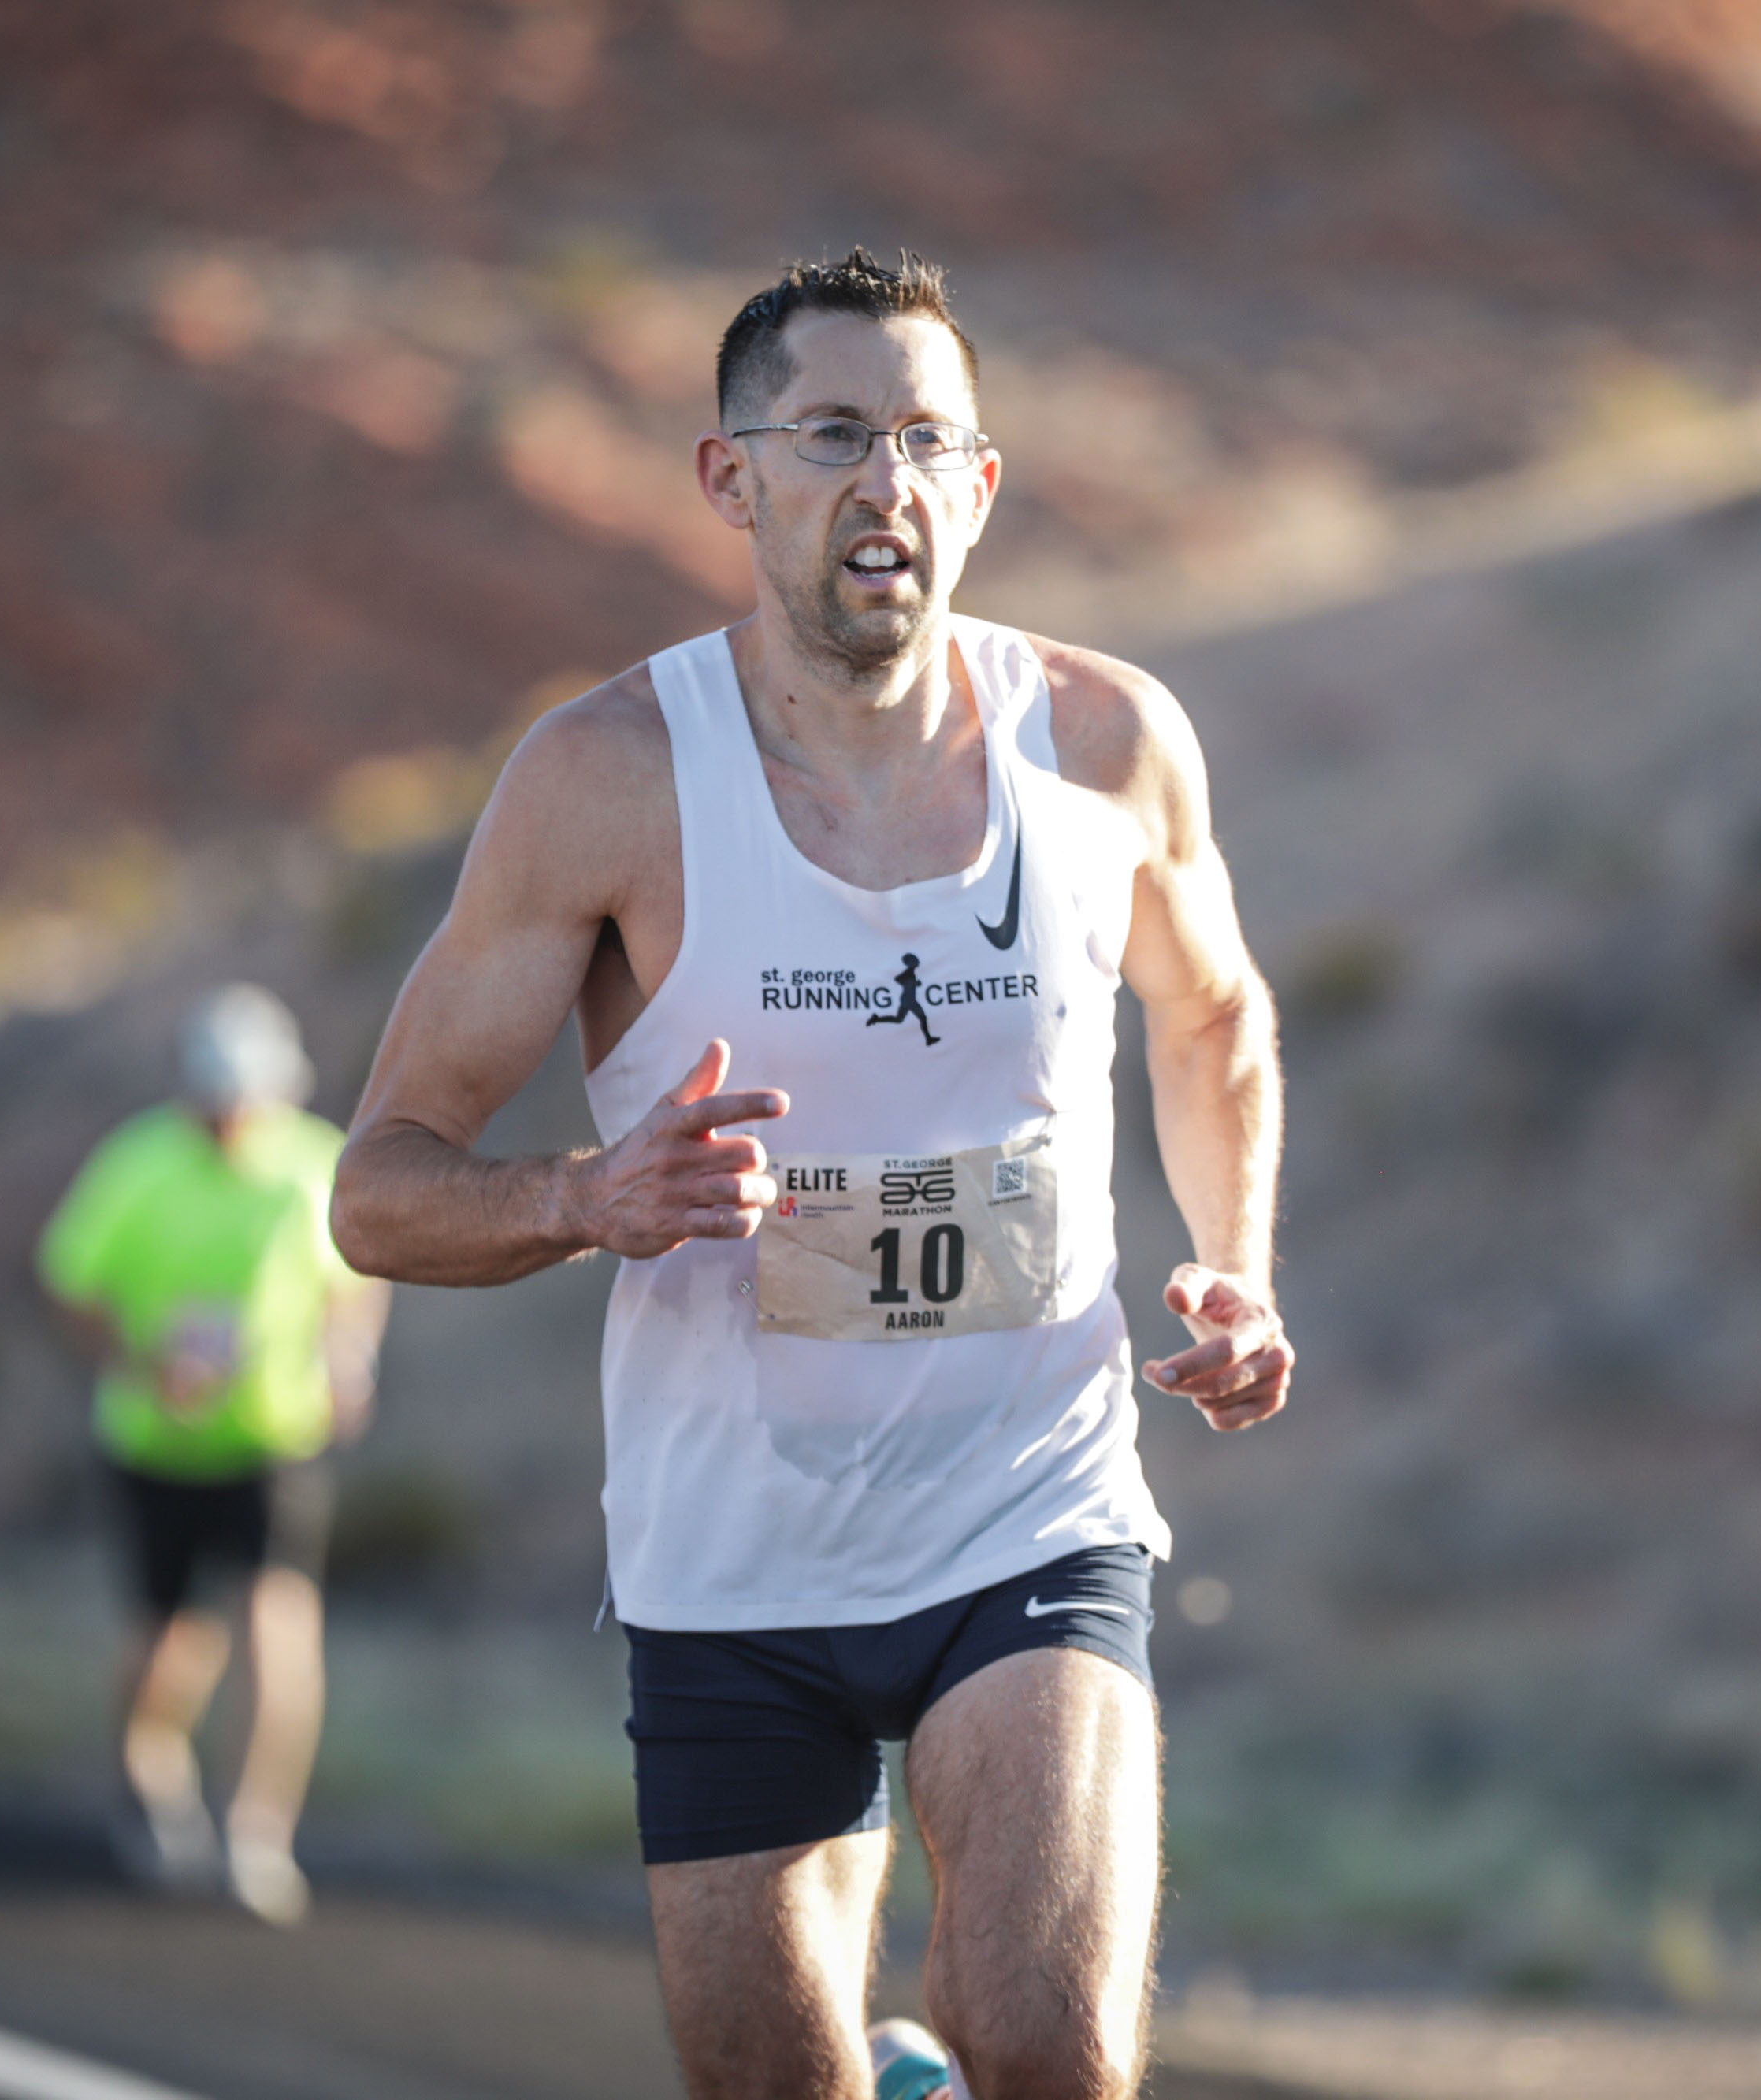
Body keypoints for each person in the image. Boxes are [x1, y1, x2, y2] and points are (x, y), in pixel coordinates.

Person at [333, 249, 1292, 2100]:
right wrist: (579, 1197)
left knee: (1055, 2050)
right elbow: (375, 1187)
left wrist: (1235, 1257)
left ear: (983, 487)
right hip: (732, 1557)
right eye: (835, 433)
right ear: (729, 478)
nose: (889, 483)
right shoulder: (605, 776)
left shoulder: (1101, 743)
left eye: (929, 440)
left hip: (1025, 1503)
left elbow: (1216, 1016)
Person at [39, 983, 390, 1927]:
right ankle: (147, 1779)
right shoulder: (136, 1163)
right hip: (155, 1441)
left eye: (252, 1101)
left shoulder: (314, 1163)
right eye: (220, 1104)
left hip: (275, 1435)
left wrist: (350, 1356)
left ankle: (258, 1830)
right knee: (173, 1641)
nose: (237, 1121)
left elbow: (357, 1277)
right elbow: (69, 1278)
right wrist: (142, 1365)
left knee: (280, 1623)